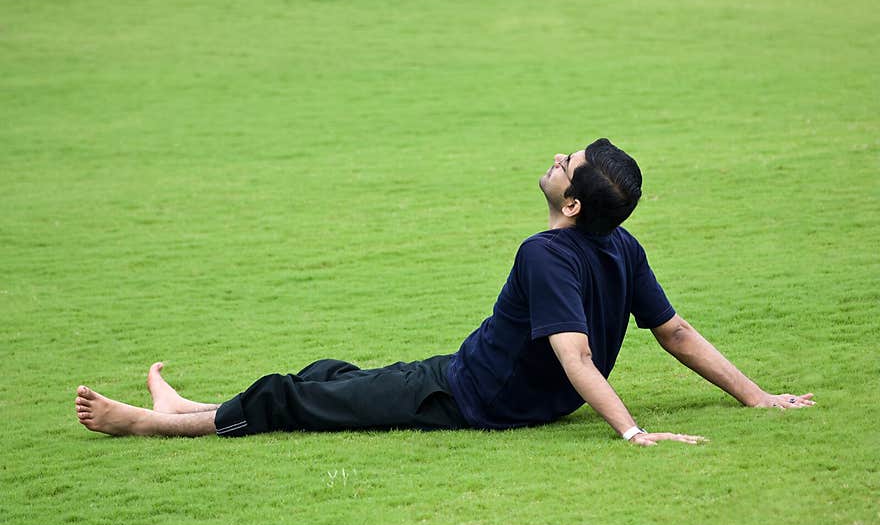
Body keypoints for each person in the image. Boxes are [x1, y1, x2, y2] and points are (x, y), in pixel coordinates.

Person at [75, 138, 815, 446]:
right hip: (510, 393)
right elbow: (676, 332)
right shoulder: (620, 244)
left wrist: (631, 432)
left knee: (299, 397)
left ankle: (153, 425)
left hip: (468, 395)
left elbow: (576, 352)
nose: (558, 159)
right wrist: (757, 396)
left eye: (568, 164)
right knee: (335, 377)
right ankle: (195, 405)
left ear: (573, 204)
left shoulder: (546, 251)